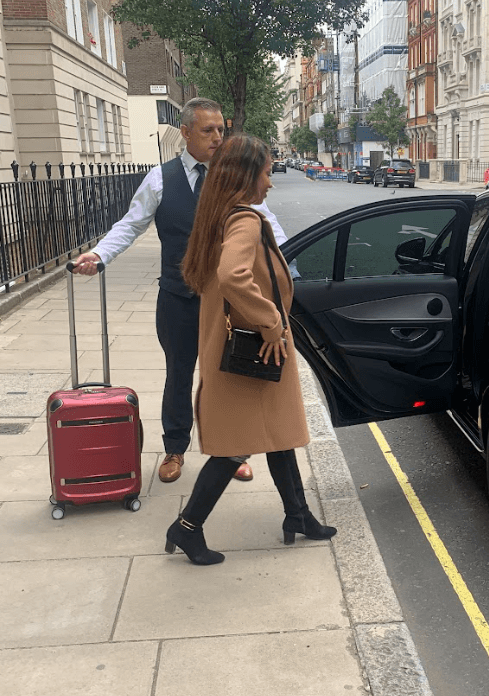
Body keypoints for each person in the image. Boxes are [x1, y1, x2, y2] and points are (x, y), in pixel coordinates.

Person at [70, 98, 283, 484]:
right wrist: (100, 254)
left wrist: (291, 267)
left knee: (228, 376)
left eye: (221, 130)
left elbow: (267, 224)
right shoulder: (159, 178)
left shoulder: (234, 176)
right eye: (208, 130)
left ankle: (232, 453)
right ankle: (174, 449)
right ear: (185, 132)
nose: (218, 137)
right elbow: (130, 224)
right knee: (179, 374)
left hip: (226, 301)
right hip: (177, 299)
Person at [164, 133, 335, 565]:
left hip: (237, 348)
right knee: (235, 447)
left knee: (277, 433)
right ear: (246, 176)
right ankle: (186, 527)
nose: (270, 182)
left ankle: (297, 514)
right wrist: (271, 322)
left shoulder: (216, 214)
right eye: (265, 173)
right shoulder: (245, 219)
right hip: (256, 348)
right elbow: (233, 275)